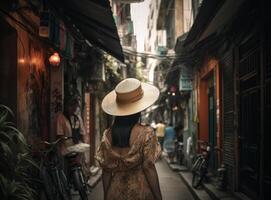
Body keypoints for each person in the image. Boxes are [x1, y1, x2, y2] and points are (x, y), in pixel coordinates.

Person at [95, 78, 162, 200]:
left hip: (114, 193)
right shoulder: (147, 133)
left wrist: (106, 196)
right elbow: (149, 168)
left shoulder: (107, 135)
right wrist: (158, 197)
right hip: (140, 192)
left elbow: (106, 172)